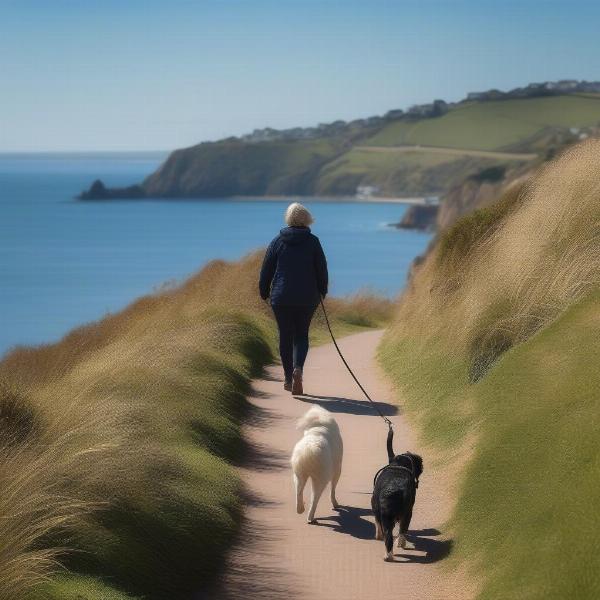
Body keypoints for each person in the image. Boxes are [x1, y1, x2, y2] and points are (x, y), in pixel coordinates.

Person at [259, 202, 328, 395]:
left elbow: (266, 270)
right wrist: (322, 290)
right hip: (307, 297)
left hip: (281, 297)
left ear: (288, 218)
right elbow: (321, 269)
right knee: (301, 335)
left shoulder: (276, 242)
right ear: (306, 218)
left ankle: (289, 378)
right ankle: (299, 368)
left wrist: (264, 291)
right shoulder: (313, 241)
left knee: (285, 336)